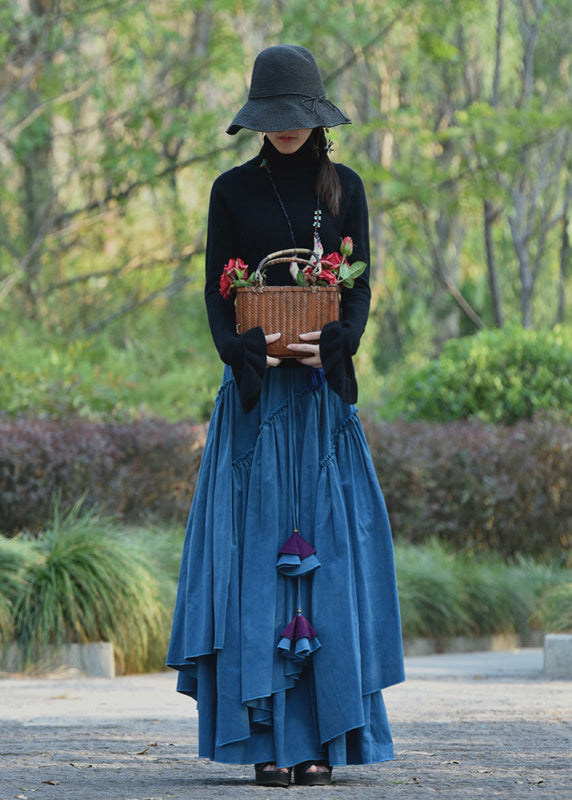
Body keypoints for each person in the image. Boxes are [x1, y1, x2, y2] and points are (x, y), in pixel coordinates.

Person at [167, 44, 404, 788]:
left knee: (328, 560)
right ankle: (263, 741)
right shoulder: (230, 190)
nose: (285, 130)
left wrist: (339, 339)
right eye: (272, 117)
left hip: (322, 402)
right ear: (256, 120)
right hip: (256, 402)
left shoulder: (346, 190)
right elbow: (215, 291)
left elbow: (360, 292)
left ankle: (321, 742)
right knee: (253, 562)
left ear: (315, 117)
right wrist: (241, 351)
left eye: (295, 116)